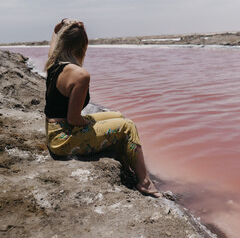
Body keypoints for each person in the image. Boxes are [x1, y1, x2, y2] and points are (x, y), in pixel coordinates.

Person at [44, 18, 161, 198]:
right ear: (83, 45)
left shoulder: (54, 62)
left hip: (55, 131)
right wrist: (93, 127)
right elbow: (74, 119)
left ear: (63, 41)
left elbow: (55, 32)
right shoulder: (80, 75)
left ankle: (127, 163)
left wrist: (63, 23)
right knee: (127, 126)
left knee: (118, 116)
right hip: (63, 139)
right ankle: (144, 182)